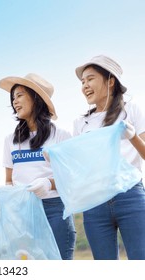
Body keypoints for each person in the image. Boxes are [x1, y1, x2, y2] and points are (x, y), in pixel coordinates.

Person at [73, 55, 145, 260]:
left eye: (90, 79)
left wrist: (132, 137)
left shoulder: (131, 110)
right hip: (95, 201)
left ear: (111, 81)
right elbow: (80, 166)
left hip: (130, 196)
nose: (85, 85)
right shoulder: (81, 123)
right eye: (83, 81)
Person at [0, 73, 76, 260]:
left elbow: (73, 177)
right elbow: (9, 180)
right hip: (22, 213)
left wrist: (49, 184)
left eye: (20, 95)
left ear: (36, 97)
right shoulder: (11, 140)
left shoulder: (61, 135)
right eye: (13, 97)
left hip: (55, 209)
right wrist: (7, 193)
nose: (14, 102)